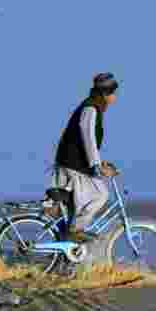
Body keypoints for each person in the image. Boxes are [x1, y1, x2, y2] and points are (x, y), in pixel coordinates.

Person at [51, 72, 120, 243]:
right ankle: (77, 228)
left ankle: (65, 257)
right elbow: (88, 137)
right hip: (73, 164)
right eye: (112, 93)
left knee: (73, 208)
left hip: (72, 162)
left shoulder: (92, 107)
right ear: (104, 94)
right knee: (101, 194)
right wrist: (96, 165)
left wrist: (99, 161)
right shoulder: (90, 108)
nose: (115, 97)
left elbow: (88, 143)